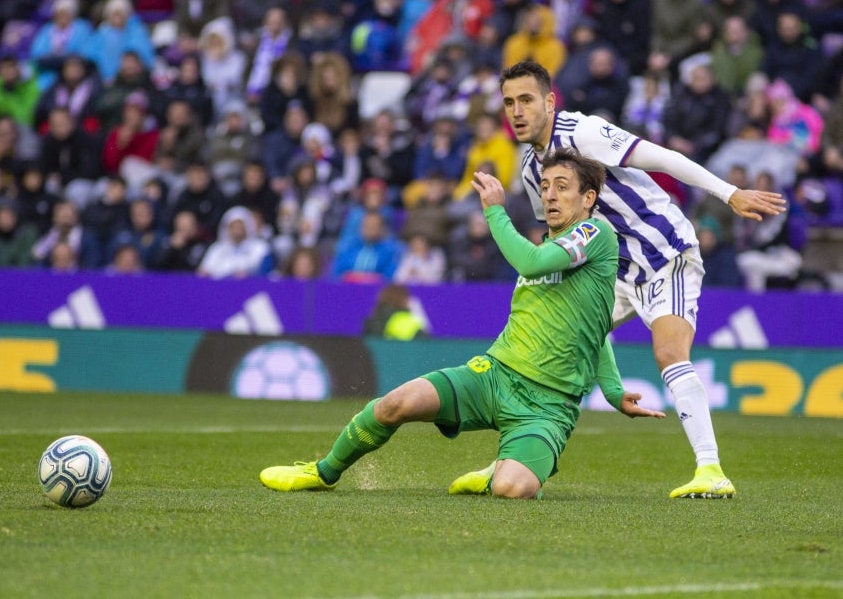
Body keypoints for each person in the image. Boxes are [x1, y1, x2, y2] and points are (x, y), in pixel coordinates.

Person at [260, 148, 665, 497]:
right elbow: (594, 324)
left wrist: (494, 211)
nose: (550, 194)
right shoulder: (550, 245)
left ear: (588, 197)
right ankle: (322, 472)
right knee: (395, 404)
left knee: (513, 489)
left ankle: (497, 472)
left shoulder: (596, 234)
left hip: (549, 405)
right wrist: (613, 391)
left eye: (562, 186)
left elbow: (531, 264)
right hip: (495, 375)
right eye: (544, 186)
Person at [470, 60, 787, 499]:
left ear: (549, 101)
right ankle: (509, 461)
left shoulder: (583, 133)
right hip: (610, 270)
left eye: (526, 100)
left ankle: (711, 469)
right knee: (549, 343)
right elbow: (560, 233)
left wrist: (729, 193)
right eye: (508, 103)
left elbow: (665, 159)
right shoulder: (530, 170)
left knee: (668, 350)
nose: (517, 111)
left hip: (663, 254)